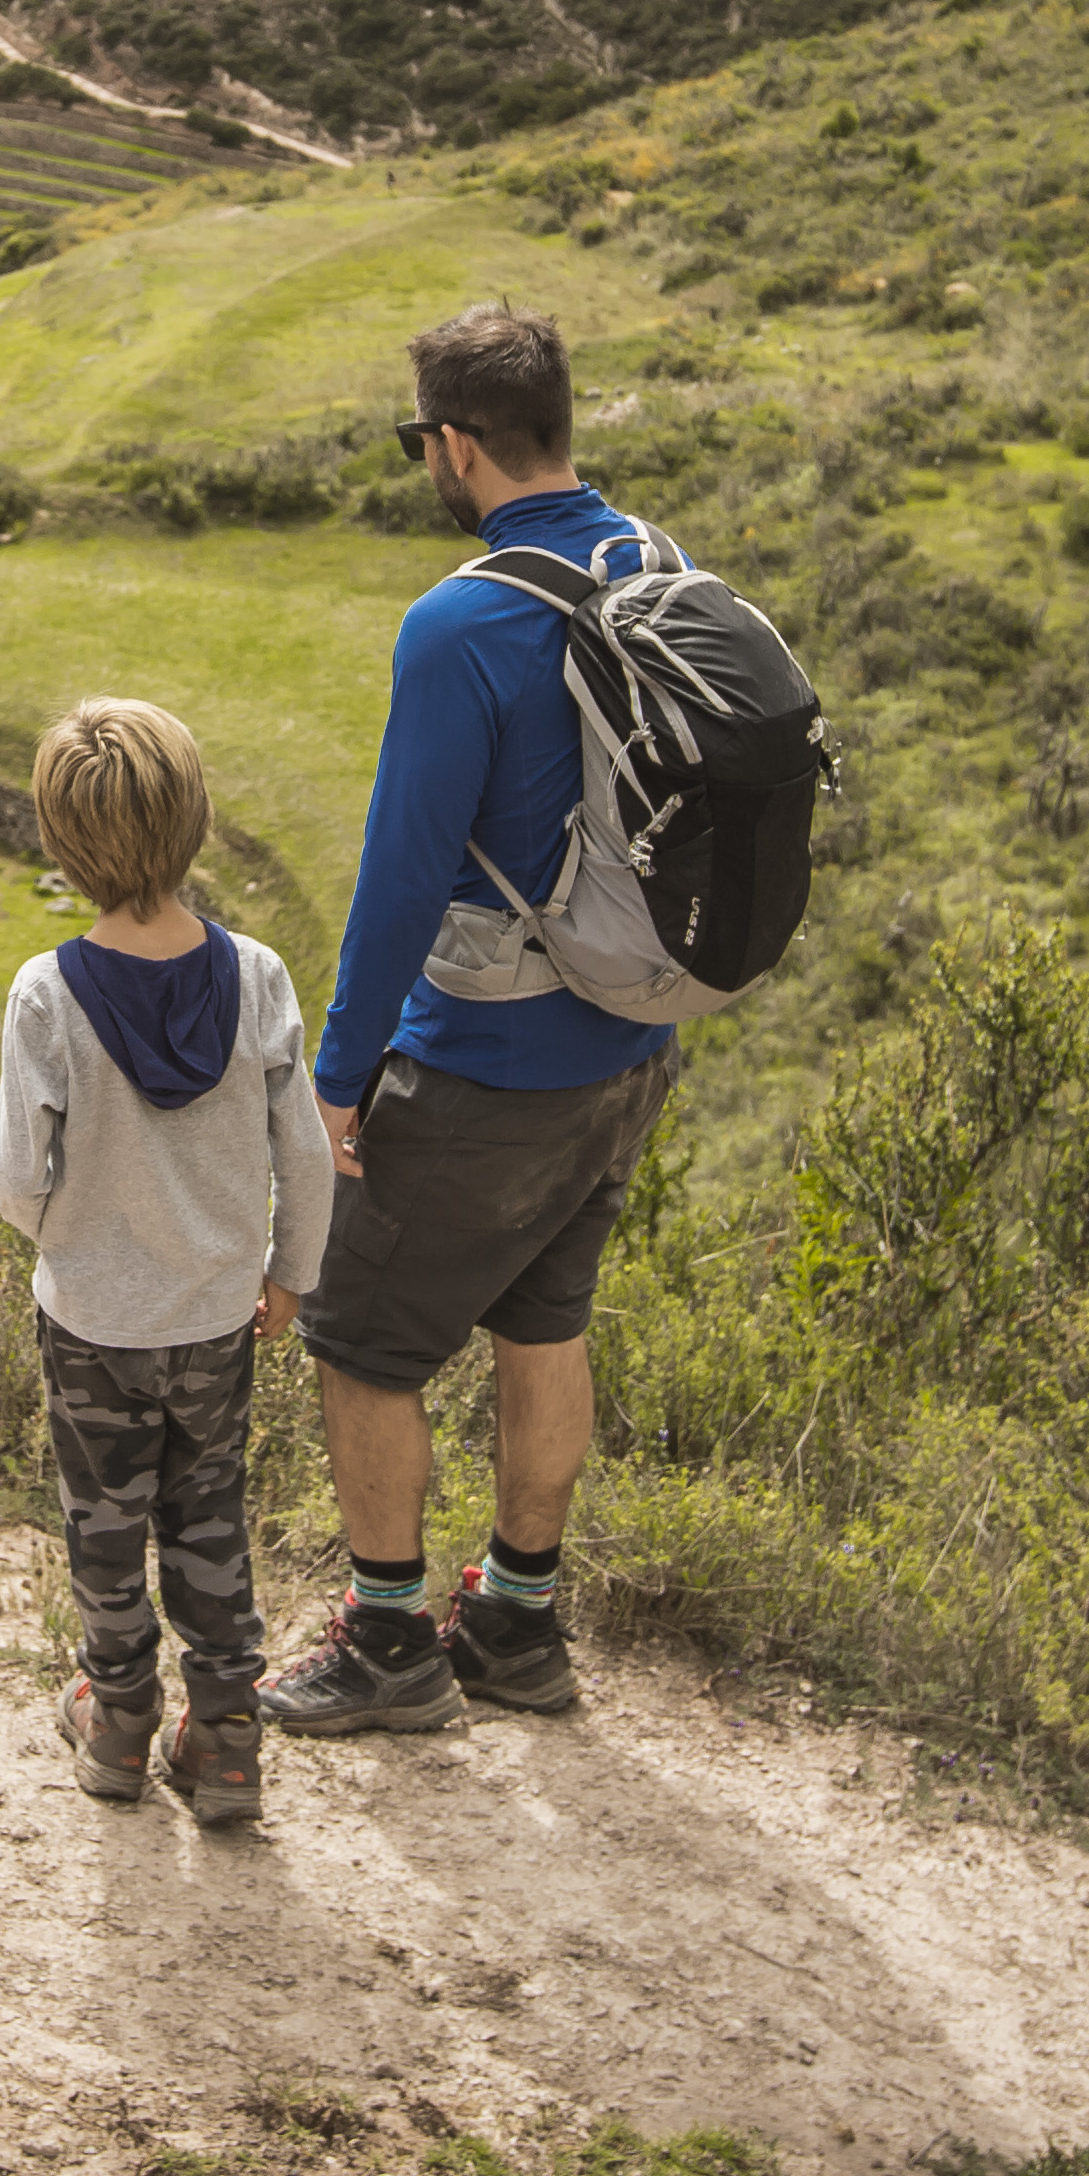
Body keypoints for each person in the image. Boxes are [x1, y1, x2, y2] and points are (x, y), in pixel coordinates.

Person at [263, 305, 678, 1736]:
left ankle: (389, 1647)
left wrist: (340, 1072)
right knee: (541, 1320)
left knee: (360, 1345)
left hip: (491, 1061)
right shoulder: (658, 566)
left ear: (453, 444)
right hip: (631, 1043)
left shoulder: (464, 619)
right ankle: (516, 1622)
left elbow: (404, 866)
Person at [0, 697, 336, 1827]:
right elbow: (308, 1155)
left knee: (105, 1519)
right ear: (196, 821)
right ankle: (227, 1739)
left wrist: (76, 1247)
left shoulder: (48, 993)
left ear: (62, 842)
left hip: (92, 1322)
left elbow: (14, 1179)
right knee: (209, 1513)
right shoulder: (262, 976)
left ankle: (121, 1724)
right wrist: (289, 1274)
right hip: (218, 1317)